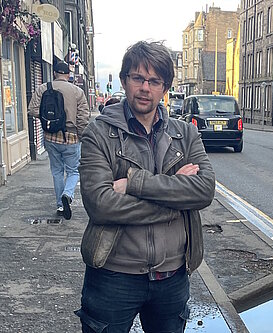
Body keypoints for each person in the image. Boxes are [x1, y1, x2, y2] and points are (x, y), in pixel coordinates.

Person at [75, 41, 216, 333]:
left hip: (172, 277)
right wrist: (174, 199)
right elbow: (100, 204)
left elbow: (204, 190)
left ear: (165, 88)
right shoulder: (98, 134)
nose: (145, 87)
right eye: (138, 78)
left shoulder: (185, 134)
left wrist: (135, 182)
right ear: (125, 80)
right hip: (114, 275)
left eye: (154, 81)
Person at [28, 61, 90, 220]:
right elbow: (83, 117)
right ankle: (67, 194)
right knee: (74, 170)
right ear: (68, 74)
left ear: (54, 73)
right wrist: (81, 135)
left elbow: (33, 111)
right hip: (71, 137)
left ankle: (60, 204)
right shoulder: (77, 91)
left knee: (56, 171)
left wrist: (49, 120)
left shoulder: (43, 88)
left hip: (50, 137)